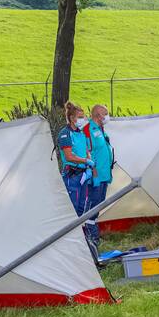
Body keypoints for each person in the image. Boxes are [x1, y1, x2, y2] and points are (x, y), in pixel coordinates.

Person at [56, 101, 97, 258]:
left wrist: (89, 166)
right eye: (80, 117)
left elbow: (87, 151)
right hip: (72, 175)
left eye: (84, 116)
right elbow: (69, 156)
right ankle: (68, 244)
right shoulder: (65, 134)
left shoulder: (81, 134)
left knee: (82, 209)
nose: (83, 119)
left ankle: (80, 243)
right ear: (72, 118)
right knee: (72, 209)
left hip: (83, 175)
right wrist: (86, 162)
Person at [82, 104, 114, 249]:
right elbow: (86, 151)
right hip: (95, 175)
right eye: (105, 113)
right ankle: (90, 236)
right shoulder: (88, 129)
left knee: (99, 202)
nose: (107, 116)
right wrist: (92, 168)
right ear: (97, 115)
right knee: (93, 204)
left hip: (104, 174)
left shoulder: (100, 129)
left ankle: (93, 236)